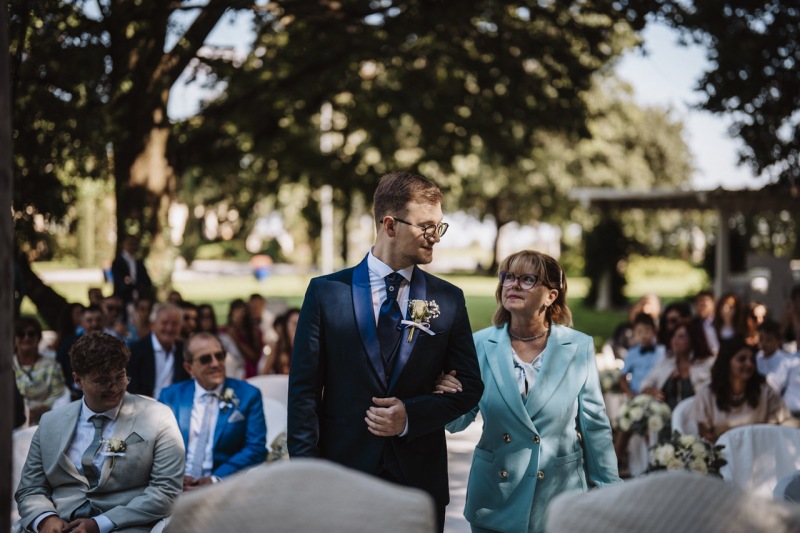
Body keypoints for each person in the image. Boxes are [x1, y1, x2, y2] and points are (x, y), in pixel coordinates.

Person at [288, 171, 483, 532]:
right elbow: (303, 392)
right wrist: (306, 475)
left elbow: (470, 386)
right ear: (390, 225)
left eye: (439, 227)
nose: (434, 238)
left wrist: (411, 415)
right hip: (342, 473)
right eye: (426, 227)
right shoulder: (326, 293)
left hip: (418, 477)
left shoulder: (447, 299)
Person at [438, 250, 619, 533]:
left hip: (560, 499)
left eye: (527, 279)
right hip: (495, 499)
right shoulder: (479, 345)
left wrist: (610, 490)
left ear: (551, 296)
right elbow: (457, 422)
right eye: (508, 277)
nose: (512, 284)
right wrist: (445, 394)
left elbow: (595, 426)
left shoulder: (579, 347)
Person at [14, 332, 185, 533]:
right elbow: (30, 488)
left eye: (120, 377)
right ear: (78, 380)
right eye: (103, 381)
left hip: (124, 526)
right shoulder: (51, 422)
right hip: (59, 524)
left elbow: (167, 492)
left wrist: (100, 523)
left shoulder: (158, 417)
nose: (114, 388)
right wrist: (45, 518)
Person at [158, 332, 266, 490]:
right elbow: (158, 445)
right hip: (174, 485)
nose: (215, 364)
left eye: (219, 356)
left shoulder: (248, 394)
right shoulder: (171, 396)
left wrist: (216, 479)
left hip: (222, 486)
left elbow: (256, 447)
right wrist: (174, 477)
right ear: (189, 368)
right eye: (205, 359)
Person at [692, 338, 793, 443]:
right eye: (742, 359)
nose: (749, 364)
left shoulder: (765, 392)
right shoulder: (707, 394)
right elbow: (705, 435)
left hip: (760, 452)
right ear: (727, 362)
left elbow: (782, 424)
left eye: (752, 360)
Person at [127, 303, 190, 398]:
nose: (169, 328)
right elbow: (132, 387)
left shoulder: (184, 350)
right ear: (153, 325)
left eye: (175, 324)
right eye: (164, 323)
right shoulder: (136, 351)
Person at [13, 317, 67, 425]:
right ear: (14, 339)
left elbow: (59, 396)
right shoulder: (6, 368)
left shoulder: (52, 366)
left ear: (38, 337)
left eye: (31, 334)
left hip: (44, 422)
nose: (26, 337)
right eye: (21, 334)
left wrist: (38, 411)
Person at [57, 305, 106, 400]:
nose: (95, 324)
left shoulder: (113, 344)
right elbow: (59, 368)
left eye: (98, 320)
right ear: (82, 323)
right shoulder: (69, 343)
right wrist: (68, 389)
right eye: (89, 321)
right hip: (75, 393)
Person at [618, 313, 666, 397]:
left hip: (658, 394)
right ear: (634, 333)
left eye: (647, 331)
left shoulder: (662, 351)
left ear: (654, 331)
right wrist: (629, 392)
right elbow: (622, 376)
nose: (644, 335)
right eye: (640, 331)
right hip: (637, 395)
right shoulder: (632, 353)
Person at [111, 234, 153, 320]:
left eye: (134, 244)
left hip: (138, 298)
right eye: (129, 243)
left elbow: (146, 281)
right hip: (123, 298)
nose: (132, 246)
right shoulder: (118, 262)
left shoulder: (138, 262)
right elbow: (120, 281)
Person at [223, 299, 264, 379]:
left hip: (246, 372)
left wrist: (236, 339)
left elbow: (254, 357)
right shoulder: (224, 331)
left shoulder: (254, 333)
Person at [756, 319, 793, 394]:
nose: (764, 343)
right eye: (761, 339)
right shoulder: (757, 356)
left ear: (778, 341)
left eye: (769, 340)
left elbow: (777, 386)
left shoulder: (784, 361)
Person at [263, 308, 300, 375]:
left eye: (300, 324)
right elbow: (265, 372)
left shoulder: (306, 347)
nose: (297, 327)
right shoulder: (277, 346)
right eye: (294, 323)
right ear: (286, 325)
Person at [693, 290, 719, 355]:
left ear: (714, 304)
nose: (702, 304)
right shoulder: (692, 325)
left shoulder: (721, 322)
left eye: (706, 301)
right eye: (699, 302)